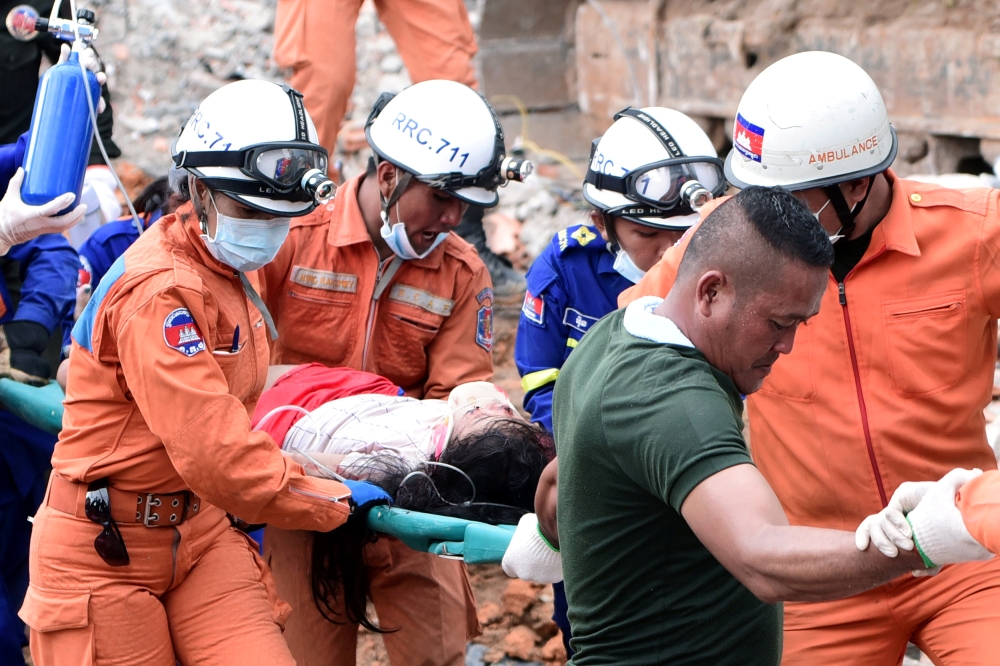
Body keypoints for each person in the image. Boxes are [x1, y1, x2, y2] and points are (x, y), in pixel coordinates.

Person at [622, 50, 1000, 665]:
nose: (762, 218)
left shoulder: (974, 233)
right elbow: (630, 346)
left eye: (789, 199)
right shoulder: (731, 242)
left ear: (856, 185)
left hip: (963, 549)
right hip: (823, 570)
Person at [18, 79, 385, 666]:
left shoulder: (227, 266)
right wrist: (332, 498)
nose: (267, 227)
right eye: (250, 210)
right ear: (200, 190)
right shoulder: (159, 293)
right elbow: (216, 453)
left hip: (200, 534)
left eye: (279, 215)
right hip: (103, 551)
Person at [557, 186, 927, 665]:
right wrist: (926, 540)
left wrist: (550, 538)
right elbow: (763, 556)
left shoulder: (612, 335)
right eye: (778, 322)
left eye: (801, 324)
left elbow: (558, 480)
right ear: (712, 291)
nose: (788, 346)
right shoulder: (671, 399)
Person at [260, 78, 530, 666]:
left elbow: (454, 398)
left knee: (437, 656)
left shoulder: (461, 273)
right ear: (388, 177)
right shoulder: (291, 239)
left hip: (413, 503)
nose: (453, 217)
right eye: (440, 197)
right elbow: (238, 364)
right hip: (298, 497)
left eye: (466, 204)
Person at [513, 105, 725, 654]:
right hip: (592, 482)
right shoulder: (565, 268)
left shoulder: (721, 272)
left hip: (688, 476)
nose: (669, 252)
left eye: (683, 233)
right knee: (592, 621)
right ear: (602, 221)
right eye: (646, 234)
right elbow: (540, 383)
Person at [250, 363, 552, 629]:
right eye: (507, 413)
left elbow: (289, 462)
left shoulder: (401, 460)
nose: (496, 407)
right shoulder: (510, 447)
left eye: (483, 414)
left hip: (297, 408)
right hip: (337, 396)